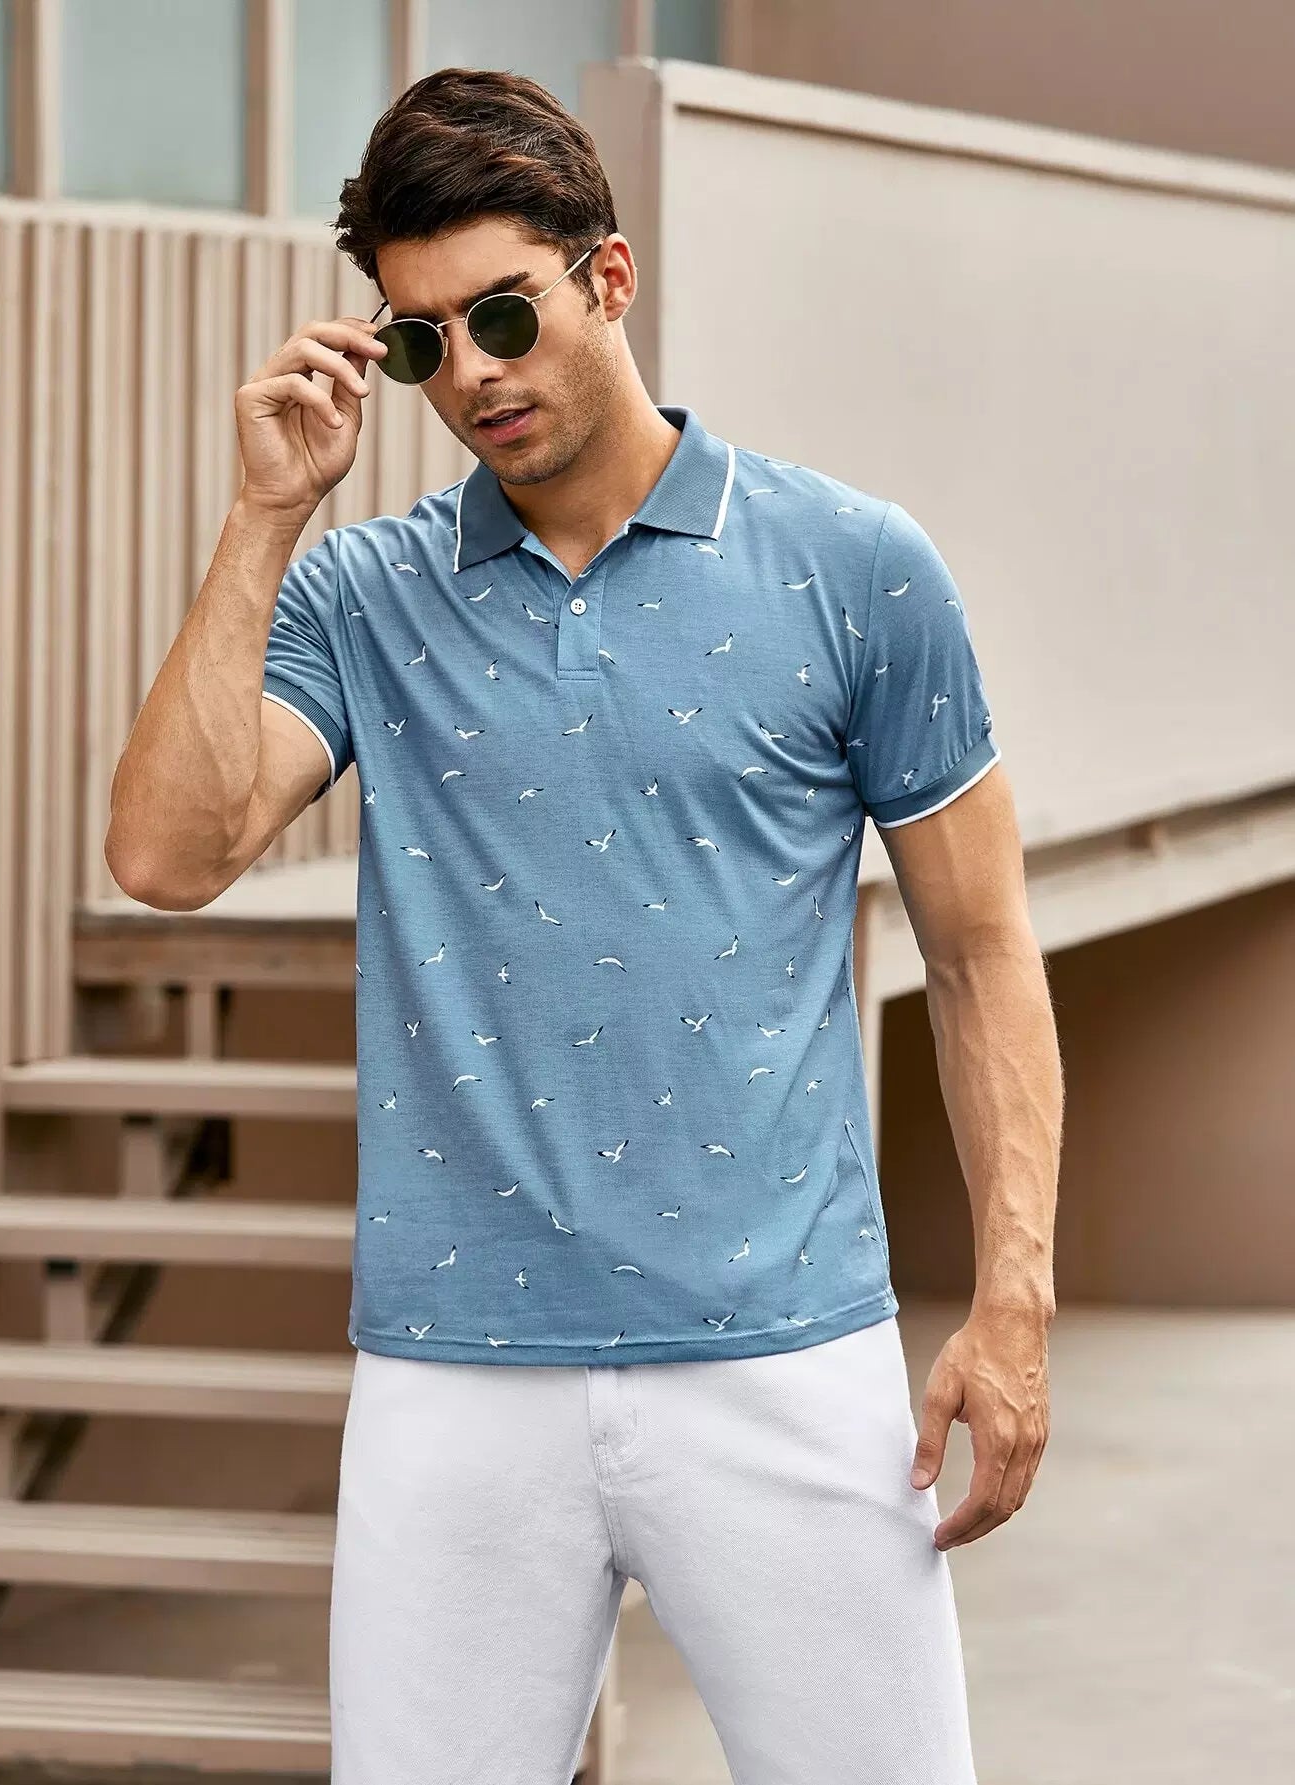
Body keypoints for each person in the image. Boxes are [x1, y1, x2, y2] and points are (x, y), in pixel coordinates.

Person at [106, 64, 1061, 1785]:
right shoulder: (364, 594)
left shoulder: (855, 567)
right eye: (422, 342)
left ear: (607, 278)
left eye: (502, 314)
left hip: (786, 1352)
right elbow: (169, 855)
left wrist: (1015, 1301)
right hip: (454, 1373)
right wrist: (265, 518)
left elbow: (983, 953)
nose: (471, 373)